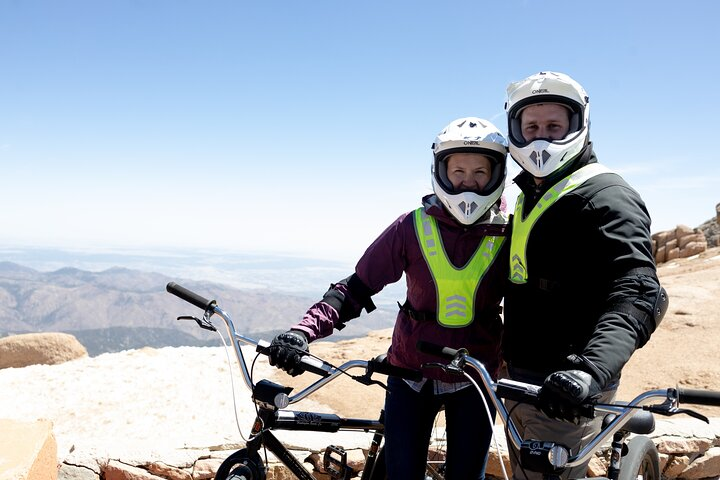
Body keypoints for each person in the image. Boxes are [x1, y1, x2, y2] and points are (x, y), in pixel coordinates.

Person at [268, 117, 511, 479]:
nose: (468, 182)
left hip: (474, 377)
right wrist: (302, 332)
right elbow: (356, 287)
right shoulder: (411, 227)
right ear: (440, 171)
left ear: (497, 175)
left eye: (480, 171)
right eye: (457, 169)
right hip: (410, 372)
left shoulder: (510, 232)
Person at [501, 71, 669, 480]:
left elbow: (639, 292)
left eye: (554, 126)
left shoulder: (605, 196)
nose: (541, 138)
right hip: (518, 379)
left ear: (578, 126)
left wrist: (590, 371)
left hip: (565, 388)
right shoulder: (531, 195)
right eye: (532, 127)